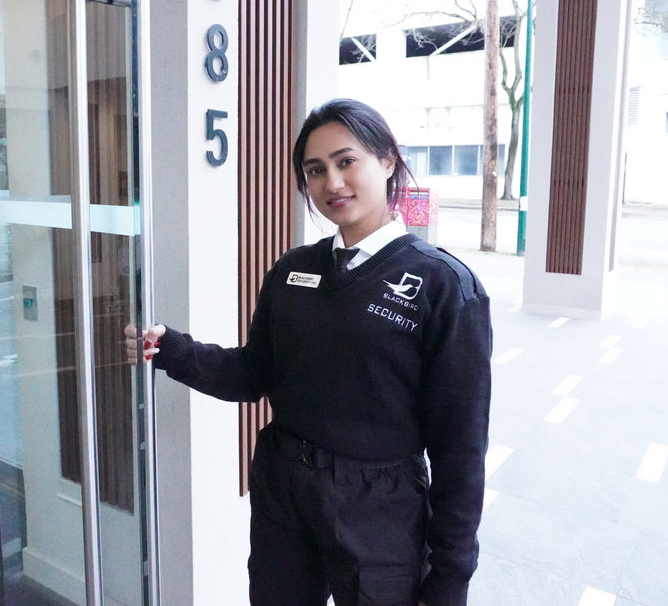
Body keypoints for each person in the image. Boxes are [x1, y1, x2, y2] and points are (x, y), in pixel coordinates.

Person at [127, 98, 491, 606]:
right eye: (315, 170)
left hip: (379, 506)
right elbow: (254, 374)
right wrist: (171, 348)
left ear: (387, 161)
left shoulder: (443, 285)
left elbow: (461, 449)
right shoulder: (294, 271)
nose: (332, 184)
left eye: (347, 162)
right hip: (285, 485)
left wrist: (450, 578)